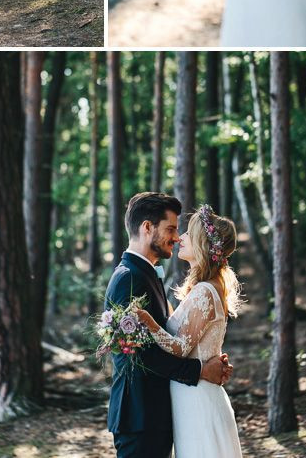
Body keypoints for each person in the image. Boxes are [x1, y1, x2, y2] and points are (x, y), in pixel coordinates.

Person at [104, 192, 232, 458]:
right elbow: (142, 354)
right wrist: (200, 369)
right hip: (140, 415)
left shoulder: (148, 275)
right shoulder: (129, 278)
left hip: (160, 414)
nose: (176, 237)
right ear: (147, 227)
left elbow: (170, 338)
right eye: (171, 229)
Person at [136, 206, 243, 458]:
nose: (180, 237)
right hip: (191, 395)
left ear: (204, 245)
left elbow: (181, 347)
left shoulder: (205, 291)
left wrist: (148, 322)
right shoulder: (206, 288)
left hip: (198, 400)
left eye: (188, 234)